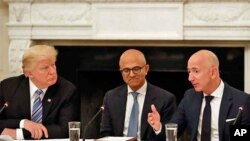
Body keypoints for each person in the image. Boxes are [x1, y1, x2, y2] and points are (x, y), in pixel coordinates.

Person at [147, 49, 250, 141]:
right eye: (189, 72)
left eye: (196, 71)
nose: (190, 78)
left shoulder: (242, 100)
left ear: (213, 72)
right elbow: (175, 130)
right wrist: (159, 127)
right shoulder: (189, 96)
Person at [0, 45, 80, 140]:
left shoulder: (67, 91)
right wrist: (22, 123)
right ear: (29, 73)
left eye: (53, 65)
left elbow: (65, 130)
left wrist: (19, 134)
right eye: (45, 68)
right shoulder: (7, 87)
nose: (52, 71)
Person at [100, 49, 176, 141]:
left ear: (146, 69)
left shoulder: (165, 99)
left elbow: (170, 137)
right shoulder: (111, 97)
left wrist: (158, 127)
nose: (131, 74)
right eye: (126, 70)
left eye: (136, 69)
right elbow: (105, 133)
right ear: (121, 72)